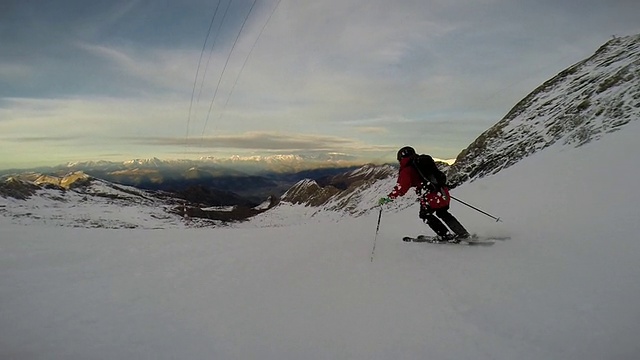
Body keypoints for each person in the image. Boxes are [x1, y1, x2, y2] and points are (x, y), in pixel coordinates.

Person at [378, 146, 470, 242]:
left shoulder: (407, 169)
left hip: (430, 196)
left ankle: (445, 235)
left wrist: (388, 198)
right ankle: (462, 233)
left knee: (425, 214)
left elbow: (401, 188)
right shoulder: (421, 162)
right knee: (442, 212)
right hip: (441, 191)